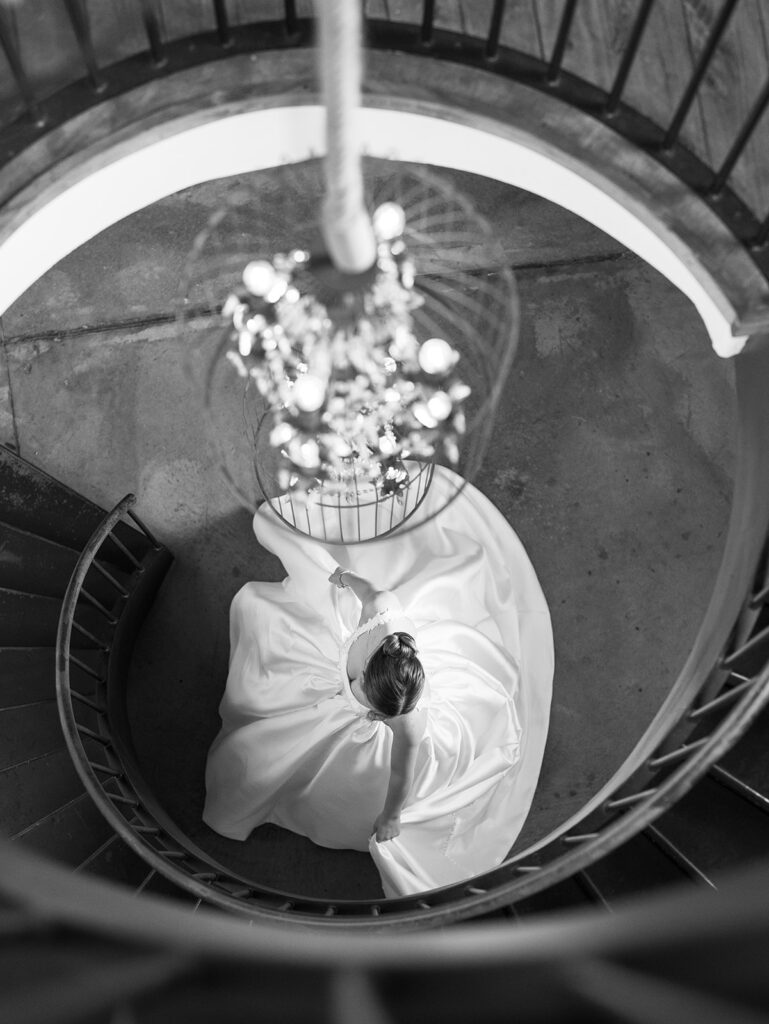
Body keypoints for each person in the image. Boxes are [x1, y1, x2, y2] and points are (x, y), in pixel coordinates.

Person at [204, 467, 554, 897]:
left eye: (376, 712)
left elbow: (401, 775)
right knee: (265, 626)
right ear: (372, 667)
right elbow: (370, 592)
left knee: (276, 757)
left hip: (355, 736)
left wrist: (391, 816)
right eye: (370, 699)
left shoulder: (409, 723)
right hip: (330, 662)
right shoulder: (383, 615)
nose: (369, 709)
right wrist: (342, 578)